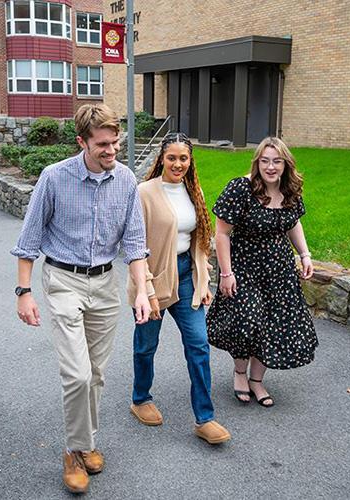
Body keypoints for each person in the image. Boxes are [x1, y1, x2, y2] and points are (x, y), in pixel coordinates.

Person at [11, 103, 151, 494]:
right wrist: (24, 292)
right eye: (103, 145)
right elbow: (29, 241)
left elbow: (135, 243)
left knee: (97, 374)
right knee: (77, 374)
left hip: (105, 284)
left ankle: (87, 441)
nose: (111, 151)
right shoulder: (54, 178)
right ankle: (74, 450)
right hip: (63, 280)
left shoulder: (124, 180)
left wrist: (141, 290)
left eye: (115, 142)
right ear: (81, 142)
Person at [127, 132, 231, 445]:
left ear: (190, 161)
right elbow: (134, 244)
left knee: (199, 345)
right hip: (153, 278)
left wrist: (203, 280)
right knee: (146, 344)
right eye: (172, 157)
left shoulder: (192, 190)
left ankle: (205, 417)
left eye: (183, 158)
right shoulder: (144, 192)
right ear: (161, 158)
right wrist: (145, 289)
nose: (178, 163)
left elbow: (200, 240)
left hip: (187, 278)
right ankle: (140, 398)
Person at [206, 137, 318, 407]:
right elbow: (221, 233)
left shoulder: (290, 190)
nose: (271, 167)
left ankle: (257, 380)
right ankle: (240, 374)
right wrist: (225, 273)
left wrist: (304, 254)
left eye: (277, 161)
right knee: (248, 321)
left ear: (285, 164)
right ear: (257, 162)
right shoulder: (240, 188)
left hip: (279, 271)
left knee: (272, 324)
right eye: (265, 161)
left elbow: (293, 223)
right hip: (244, 267)